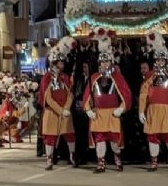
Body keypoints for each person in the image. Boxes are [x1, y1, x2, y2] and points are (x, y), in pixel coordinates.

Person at [82, 34, 132, 173]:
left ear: (111, 63)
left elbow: (126, 94)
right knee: (99, 139)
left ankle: (117, 157)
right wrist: (88, 110)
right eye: (102, 62)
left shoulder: (117, 77)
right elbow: (87, 96)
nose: (104, 65)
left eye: (107, 62)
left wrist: (121, 109)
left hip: (112, 113)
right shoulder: (93, 77)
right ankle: (101, 163)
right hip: (98, 114)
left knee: (114, 140)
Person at [138, 31, 168, 171]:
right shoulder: (150, 76)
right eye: (158, 60)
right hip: (152, 111)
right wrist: (141, 111)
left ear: (166, 61)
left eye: (162, 60)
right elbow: (143, 94)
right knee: (152, 136)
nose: (160, 62)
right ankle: (154, 161)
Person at [38, 37, 77, 170]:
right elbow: (47, 98)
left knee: (70, 135)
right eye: (60, 63)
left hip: (65, 112)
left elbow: (70, 94)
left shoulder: (65, 77)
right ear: (54, 63)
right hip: (52, 112)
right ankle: (49, 160)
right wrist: (60, 110)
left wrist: (66, 108)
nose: (63, 65)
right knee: (50, 137)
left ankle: (72, 156)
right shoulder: (47, 78)